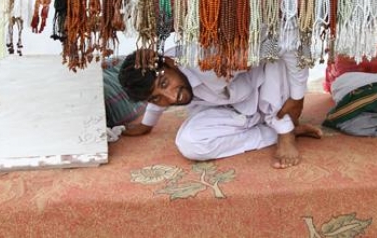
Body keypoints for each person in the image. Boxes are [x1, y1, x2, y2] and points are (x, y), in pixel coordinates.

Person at [117, 44, 322, 169]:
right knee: (189, 144)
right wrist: (147, 124)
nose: (172, 97)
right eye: (156, 98)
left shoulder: (210, 59)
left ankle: (285, 132)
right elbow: (158, 92)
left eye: (164, 84)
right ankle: (273, 133)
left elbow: (286, 46)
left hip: (265, 93)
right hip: (233, 109)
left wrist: (297, 97)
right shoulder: (165, 78)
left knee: (275, 63)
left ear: (171, 63)